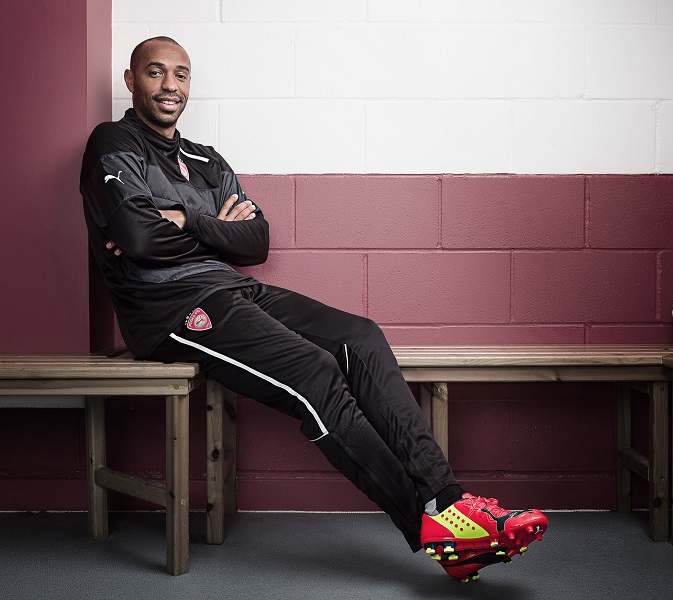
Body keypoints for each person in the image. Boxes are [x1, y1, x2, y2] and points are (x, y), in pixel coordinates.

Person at [80, 36, 547, 582]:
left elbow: (255, 242)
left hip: (231, 290)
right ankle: (428, 524)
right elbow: (137, 238)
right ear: (132, 80)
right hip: (170, 307)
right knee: (314, 370)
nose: (170, 86)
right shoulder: (112, 141)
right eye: (156, 73)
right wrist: (213, 229)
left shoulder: (206, 159)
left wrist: (184, 221)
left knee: (362, 337)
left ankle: (449, 501)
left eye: (181, 75)